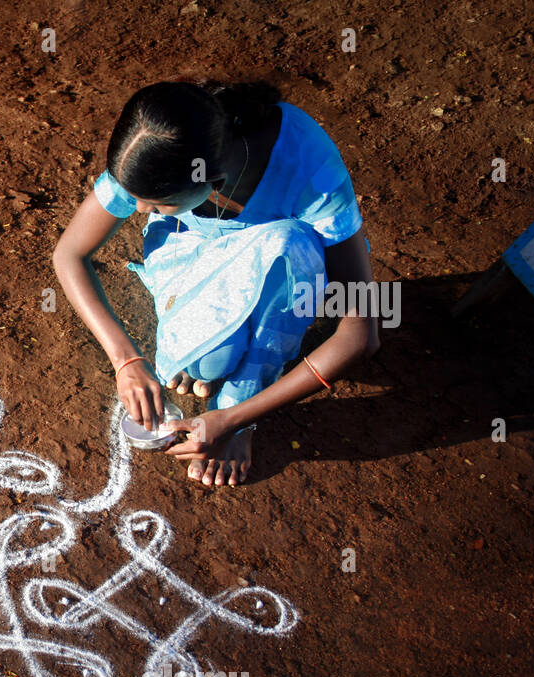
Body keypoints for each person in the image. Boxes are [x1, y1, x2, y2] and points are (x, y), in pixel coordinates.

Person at [52, 79, 380, 485]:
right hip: (194, 244)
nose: (137, 209)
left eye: (156, 202)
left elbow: (361, 335)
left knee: (290, 244)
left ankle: (245, 396)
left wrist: (233, 419)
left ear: (216, 182)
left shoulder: (311, 171)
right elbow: (69, 254)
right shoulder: (165, 144)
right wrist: (127, 361)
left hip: (285, 267)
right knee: (208, 362)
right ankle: (214, 349)